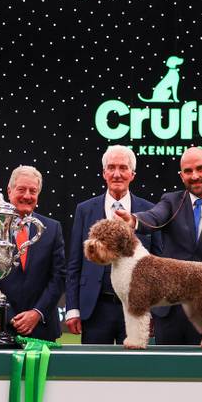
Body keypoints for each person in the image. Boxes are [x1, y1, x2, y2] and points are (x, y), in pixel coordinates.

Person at [115, 146, 202, 344]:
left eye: (200, 169)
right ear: (181, 176)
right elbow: (154, 217)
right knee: (168, 374)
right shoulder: (170, 201)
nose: (194, 175)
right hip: (171, 314)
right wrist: (134, 220)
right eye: (188, 171)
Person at [65, 146, 161, 343]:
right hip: (96, 309)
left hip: (137, 308)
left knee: (136, 371)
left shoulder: (150, 211)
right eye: (111, 168)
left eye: (123, 168)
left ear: (132, 174)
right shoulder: (84, 210)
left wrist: (156, 311)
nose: (117, 174)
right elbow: (75, 263)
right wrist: (73, 308)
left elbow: (158, 265)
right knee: (94, 371)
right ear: (104, 173)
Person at [0, 165, 66, 341]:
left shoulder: (52, 228)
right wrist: (9, 314)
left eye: (33, 191)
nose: (27, 196)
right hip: (0, 327)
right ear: (9, 191)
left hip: (42, 328)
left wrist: (36, 313)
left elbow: (59, 277)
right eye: (21, 189)